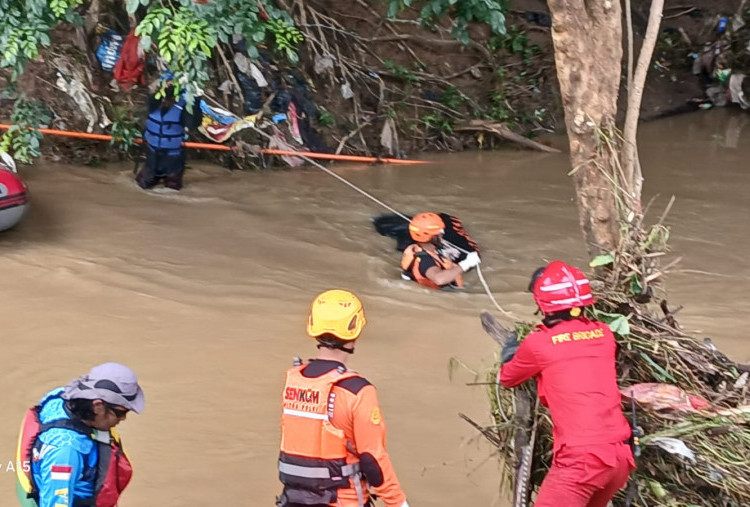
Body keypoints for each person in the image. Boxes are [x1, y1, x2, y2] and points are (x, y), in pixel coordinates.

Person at [498, 261, 635, 507]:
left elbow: (508, 378)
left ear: (542, 304)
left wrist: (510, 353)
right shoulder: (604, 334)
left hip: (582, 462)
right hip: (620, 458)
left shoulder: (539, 343)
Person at [277, 289, 409, 507]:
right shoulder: (358, 391)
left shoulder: (292, 382)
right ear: (354, 330)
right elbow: (372, 459)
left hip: (293, 501)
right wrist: (398, 502)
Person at [16, 363, 145, 507]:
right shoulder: (66, 453)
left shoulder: (61, 396)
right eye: (121, 413)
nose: (123, 419)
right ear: (97, 406)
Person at [135, 76, 201, 191]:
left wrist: (196, 100)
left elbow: (193, 123)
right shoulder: (154, 102)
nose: (169, 86)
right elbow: (152, 91)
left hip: (173, 158)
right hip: (153, 156)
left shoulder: (183, 106)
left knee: (172, 190)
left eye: (172, 85)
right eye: (167, 84)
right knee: (140, 186)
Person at [398, 212, 481, 290]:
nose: (442, 234)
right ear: (433, 237)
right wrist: (466, 264)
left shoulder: (415, 249)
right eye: (440, 232)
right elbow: (439, 279)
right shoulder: (425, 261)